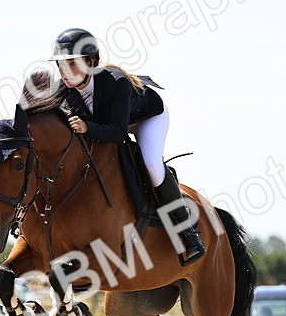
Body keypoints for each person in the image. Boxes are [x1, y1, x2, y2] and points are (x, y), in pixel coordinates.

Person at [49, 27, 205, 265]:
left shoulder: (116, 83)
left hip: (145, 119)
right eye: (60, 65)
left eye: (72, 63)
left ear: (91, 62)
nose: (64, 72)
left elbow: (120, 132)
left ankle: (187, 232)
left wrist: (87, 128)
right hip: (108, 124)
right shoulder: (63, 91)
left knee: (151, 163)